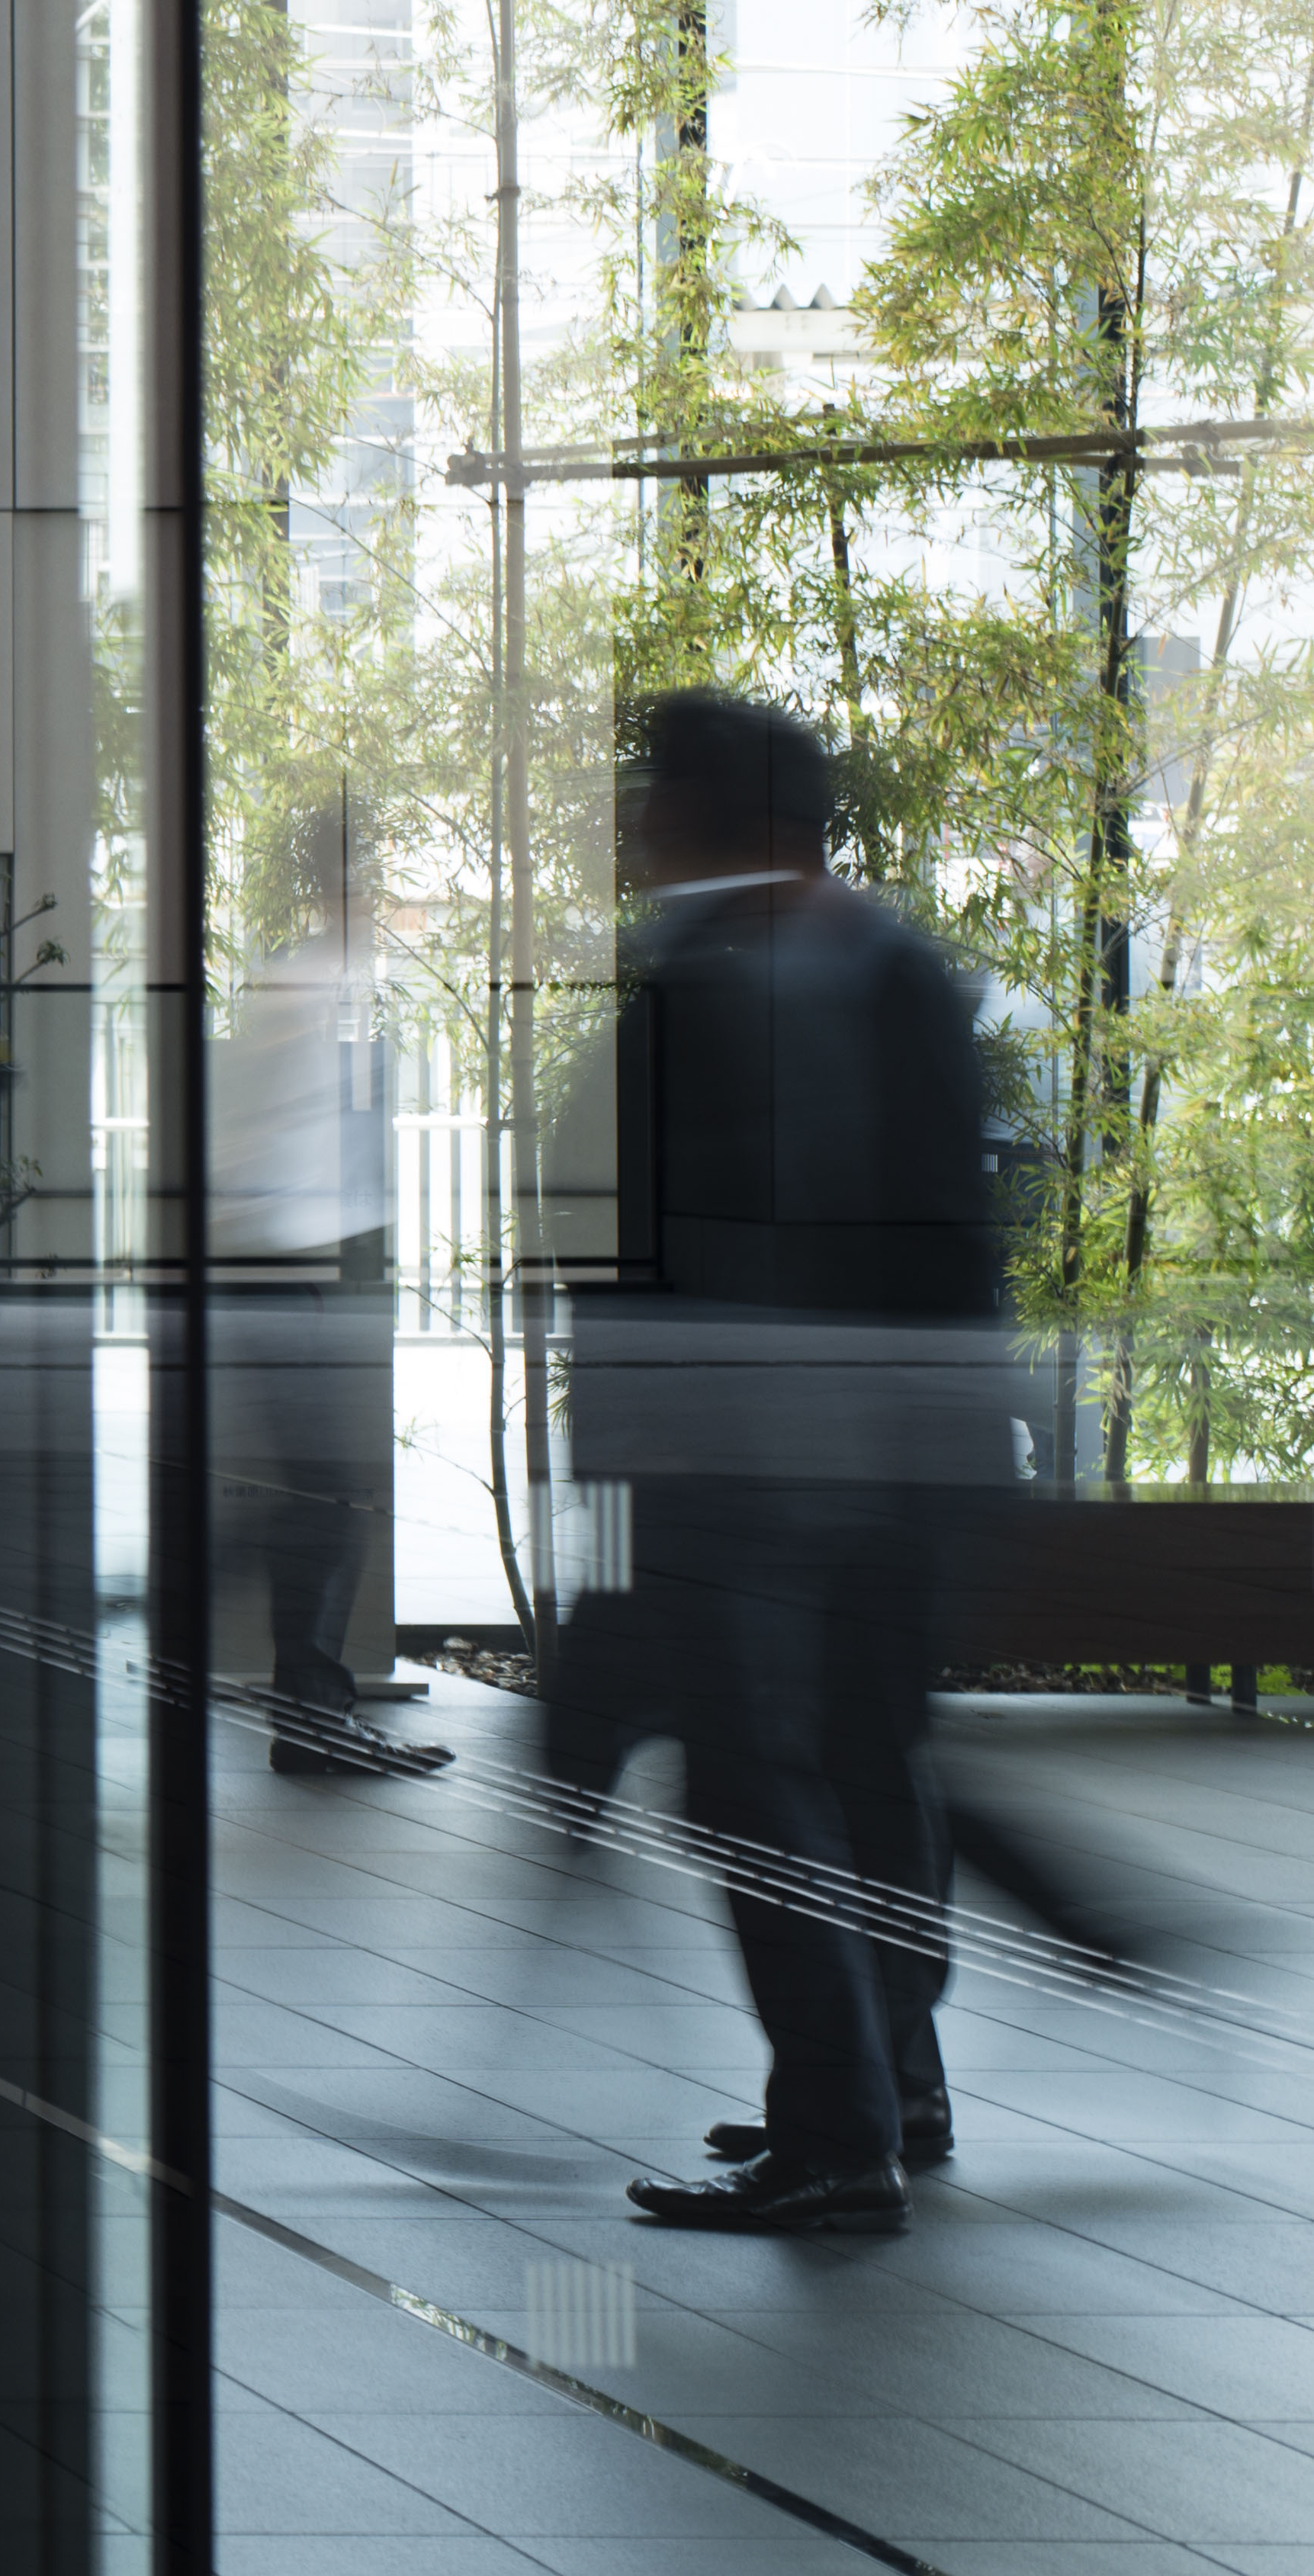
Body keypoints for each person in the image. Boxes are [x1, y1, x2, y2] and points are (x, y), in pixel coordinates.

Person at [564, 689, 1018, 2237]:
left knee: (756, 1782)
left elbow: (646, 1254)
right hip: (897, 1462)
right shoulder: (897, 966)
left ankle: (835, 2134)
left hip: (745, 1465)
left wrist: (621, 1464)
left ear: (717, 817)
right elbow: (957, 1235)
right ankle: (893, 2085)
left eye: (649, 793)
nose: (631, 821)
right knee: (869, 1765)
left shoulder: (702, 977)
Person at [216, 799, 448, 1778]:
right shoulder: (303, 981)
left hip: (305, 1269)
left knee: (323, 1497)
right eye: (375, 871)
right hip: (290, 1272)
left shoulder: (323, 979)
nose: (383, 892)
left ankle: (310, 1710)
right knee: (328, 1499)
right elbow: (253, 1141)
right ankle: (306, 1713)